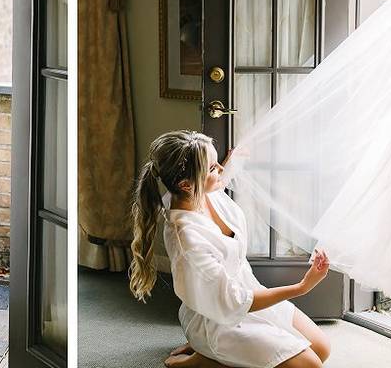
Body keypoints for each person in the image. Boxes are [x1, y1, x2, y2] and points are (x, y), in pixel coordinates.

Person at [129, 130, 332, 368]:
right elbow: (234, 303)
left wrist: (229, 163)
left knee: (322, 349)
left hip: (248, 292)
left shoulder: (200, 192)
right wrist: (302, 287)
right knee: (311, 365)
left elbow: (220, 182)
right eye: (213, 168)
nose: (221, 171)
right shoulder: (188, 240)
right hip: (218, 318)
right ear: (186, 184)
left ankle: (214, 357)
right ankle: (205, 357)